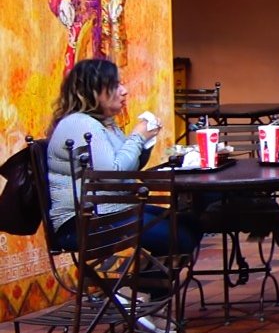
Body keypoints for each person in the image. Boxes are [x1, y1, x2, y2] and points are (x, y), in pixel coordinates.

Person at [47, 58, 200, 259]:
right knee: (181, 236)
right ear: (92, 91)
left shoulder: (104, 123)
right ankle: (146, 285)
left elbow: (128, 169)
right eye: (115, 85)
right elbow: (113, 174)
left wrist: (145, 142)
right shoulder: (79, 124)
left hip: (112, 210)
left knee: (190, 224)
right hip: (82, 223)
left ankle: (148, 284)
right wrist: (137, 137)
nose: (124, 90)